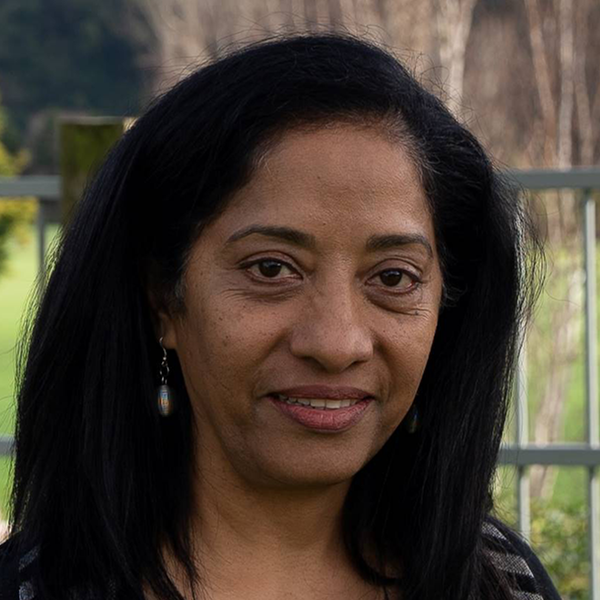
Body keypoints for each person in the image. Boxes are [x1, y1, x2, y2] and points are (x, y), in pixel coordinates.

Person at [0, 33, 560, 600]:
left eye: (393, 277)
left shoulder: (503, 583)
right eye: (271, 269)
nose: (337, 343)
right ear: (164, 298)